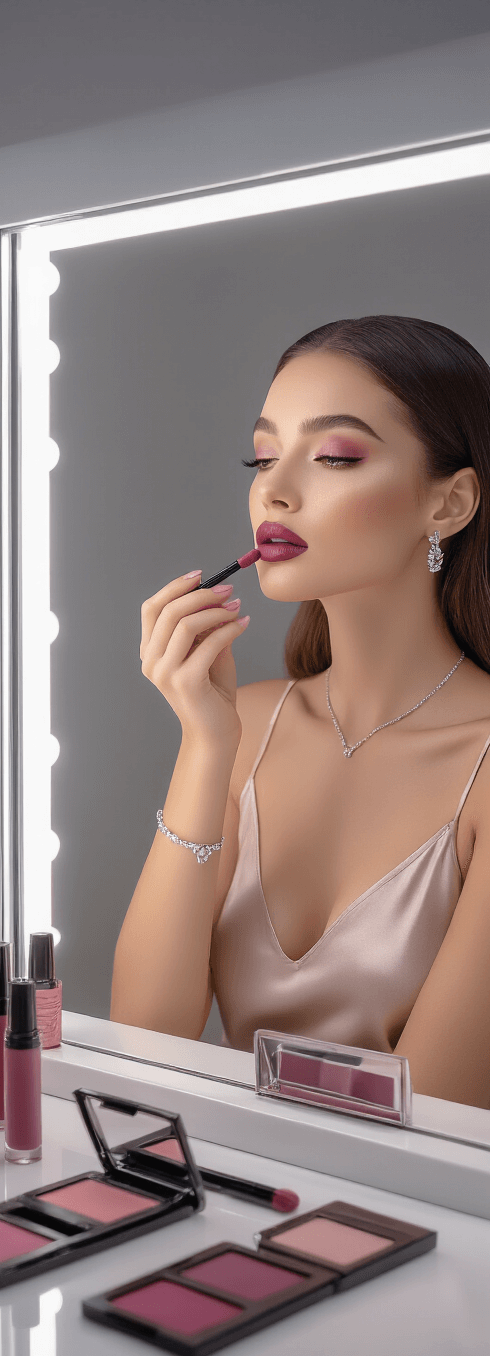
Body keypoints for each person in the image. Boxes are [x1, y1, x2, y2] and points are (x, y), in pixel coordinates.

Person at [111, 315, 490, 1109]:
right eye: (263, 455)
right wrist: (205, 747)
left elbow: (435, 1114)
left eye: (336, 456)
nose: (275, 489)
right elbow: (143, 1041)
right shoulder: (242, 726)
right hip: (219, 1183)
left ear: (449, 504)